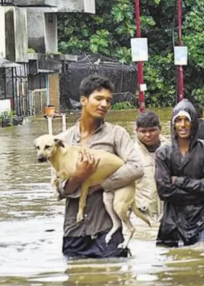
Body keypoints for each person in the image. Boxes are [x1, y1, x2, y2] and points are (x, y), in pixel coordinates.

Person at [56, 75, 145, 259]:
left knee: (113, 282)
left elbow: (137, 167)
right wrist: (80, 176)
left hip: (107, 231)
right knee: (75, 283)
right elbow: (59, 190)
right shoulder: (62, 141)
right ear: (83, 100)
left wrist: (101, 185)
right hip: (74, 232)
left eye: (108, 101)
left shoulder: (116, 135)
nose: (104, 104)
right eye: (99, 99)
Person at [154, 99, 204, 248]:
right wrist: (202, 193)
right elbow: (164, 191)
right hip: (174, 220)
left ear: (194, 122)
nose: (183, 125)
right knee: (170, 265)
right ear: (173, 124)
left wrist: (179, 181)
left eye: (187, 120)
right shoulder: (163, 153)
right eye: (178, 120)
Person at [134, 110, 169, 222]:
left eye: (152, 130)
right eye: (143, 131)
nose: (148, 135)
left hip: (169, 212)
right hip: (141, 216)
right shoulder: (129, 154)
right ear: (136, 131)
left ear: (160, 129)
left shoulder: (172, 150)